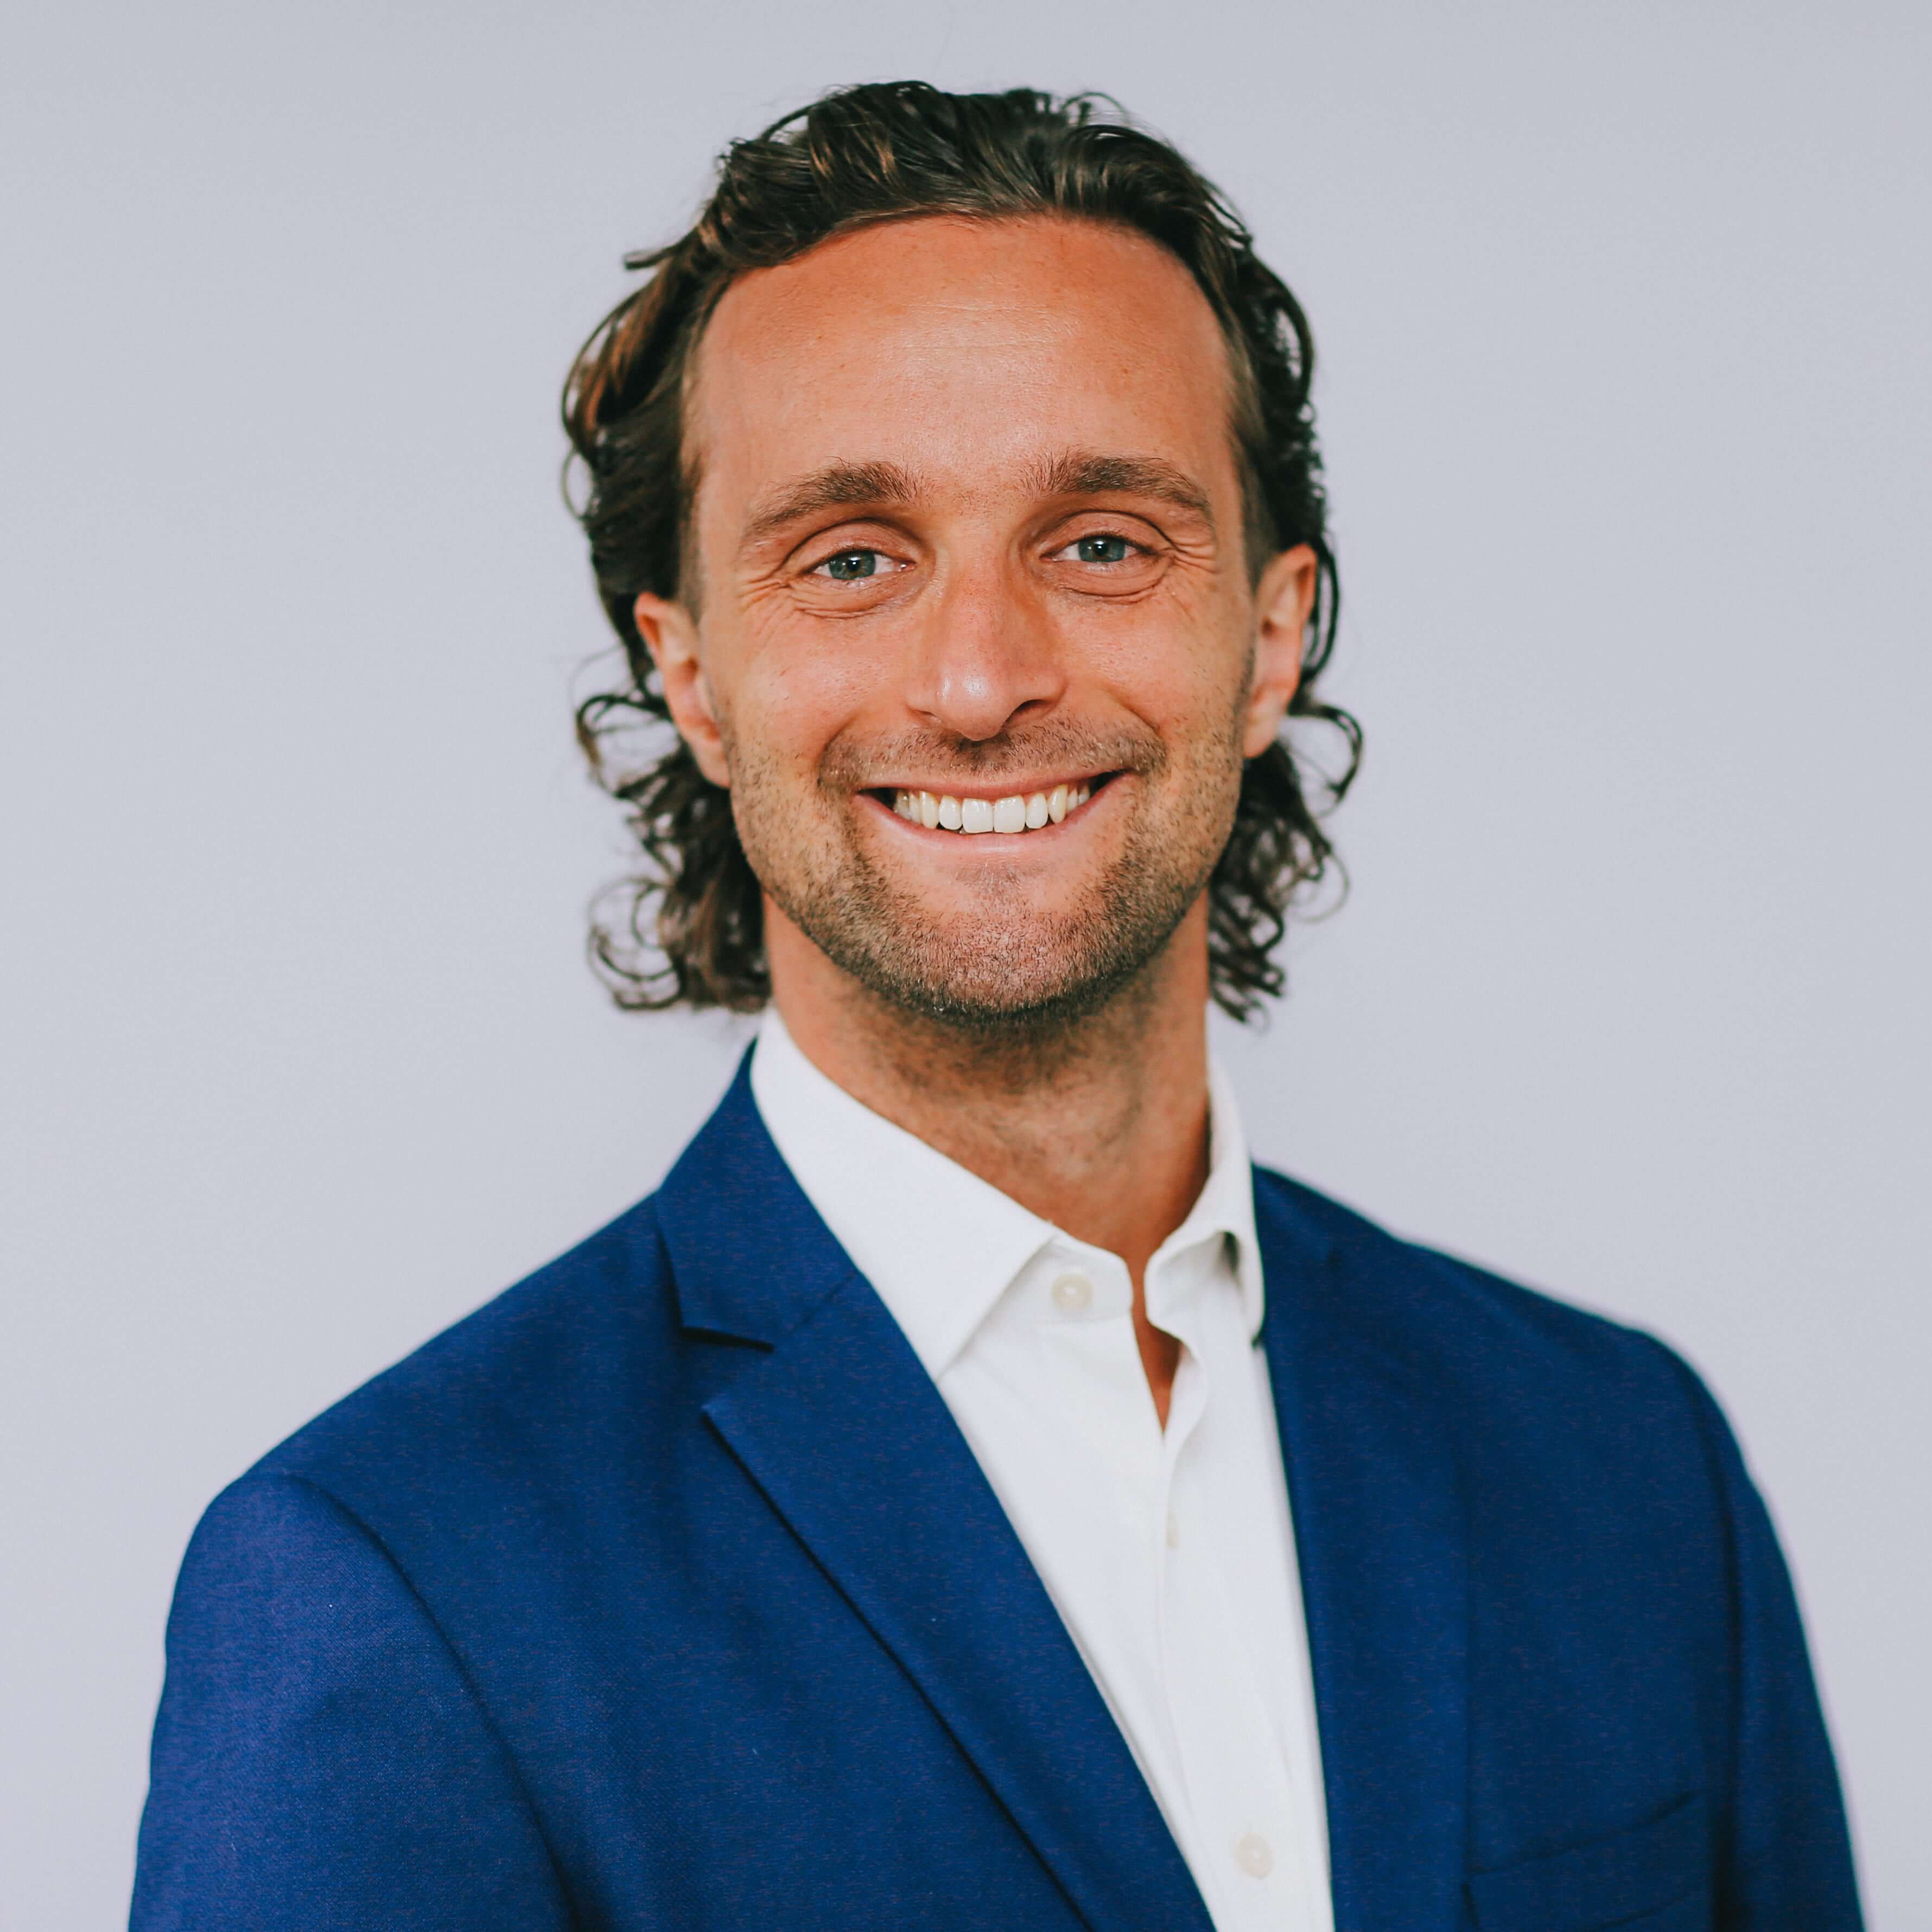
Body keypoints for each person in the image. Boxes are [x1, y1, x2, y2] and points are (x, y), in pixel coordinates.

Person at [130, 82, 1861, 1932]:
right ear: (693, 676)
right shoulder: (391, 1580)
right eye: (853, 558)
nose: (979, 681)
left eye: (1103, 540)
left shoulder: (1623, 1466)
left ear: (1271, 638)